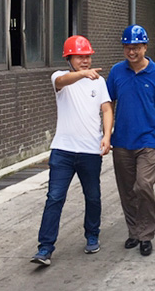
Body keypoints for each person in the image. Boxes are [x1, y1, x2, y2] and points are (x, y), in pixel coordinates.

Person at [31, 35, 113, 266]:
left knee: (93, 196)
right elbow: (63, 81)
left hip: (90, 151)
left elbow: (107, 109)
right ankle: (45, 248)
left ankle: (92, 235)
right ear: (69, 58)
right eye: (79, 57)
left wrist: (107, 136)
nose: (85, 61)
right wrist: (83, 75)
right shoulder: (60, 78)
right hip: (63, 151)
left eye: (88, 57)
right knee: (54, 198)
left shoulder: (99, 82)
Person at [107, 24, 155, 257]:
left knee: (143, 185)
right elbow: (108, 104)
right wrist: (106, 134)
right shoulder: (117, 72)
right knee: (127, 190)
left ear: (145, 47)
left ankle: (146, 234)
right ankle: (134, 232)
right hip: (121, 141)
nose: (132, 52)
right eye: (128, 47)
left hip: (147, 140)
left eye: (136, 47)